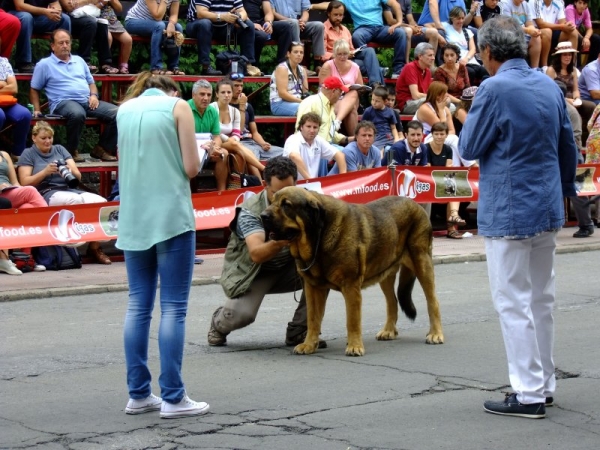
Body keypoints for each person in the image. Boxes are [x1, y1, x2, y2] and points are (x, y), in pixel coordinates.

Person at [459, 16, 577, 419]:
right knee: (541, 299)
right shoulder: (548, 83)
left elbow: (470, 146)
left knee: (513, 302)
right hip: (546, 205)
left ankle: (527, 393)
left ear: (489, 52)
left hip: (509, 209)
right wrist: (564, 193)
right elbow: (568, 146)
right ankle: (542, 385)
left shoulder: (493, 87)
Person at [116, 73, 208, 419]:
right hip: (170, 216)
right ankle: (173, 396)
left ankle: (139, 393)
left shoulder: (124, 111)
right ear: (171, 89)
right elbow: (190, 167)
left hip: (134, 217)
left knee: (138, 305)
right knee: (173, 308)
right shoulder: (177, 106)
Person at [208, 156, 328, 348]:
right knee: (242, 316)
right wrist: (280, 242)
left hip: (291, 268)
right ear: (265, 185)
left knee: (322, 271)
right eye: (277, 193)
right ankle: (219, 322)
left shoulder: (306, 199)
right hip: (255, 272)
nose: (283, 199)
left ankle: (300, 331)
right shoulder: (251, 211)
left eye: (288, 191)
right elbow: (256, 254)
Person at [17, 121, 113, 264]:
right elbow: (24, 182)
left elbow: (78, 177)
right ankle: (73, 242)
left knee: (101, 203)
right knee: (75, 202)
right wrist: (45, 172)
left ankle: (94, 247)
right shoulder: (28, 153)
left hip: (70, 189)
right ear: (34, 138)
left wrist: (69, 168)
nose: (48, 141)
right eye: (43, 138)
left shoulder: (60, 149)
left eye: (50, 137)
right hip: (47, 192)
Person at [30, 29, 119, 163]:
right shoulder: (44, 64)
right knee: (77, 113)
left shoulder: (79, 60)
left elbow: (91, 83)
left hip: (87, 100)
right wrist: (37, 110)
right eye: (61, 43)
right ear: (53, 46)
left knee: (118, 113)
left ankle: (102, 149)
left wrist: (94, 95)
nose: (65, 45)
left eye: (67, 42)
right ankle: (71, 151)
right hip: (62, 102)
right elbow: (34, 88)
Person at [186, 0, 262, 76]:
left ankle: (247, 65)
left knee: (249, 24)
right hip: (197, 25)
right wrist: (222, 16)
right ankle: (206, 67)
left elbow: (243, 12)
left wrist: (238, 18)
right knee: (205, 23)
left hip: (223, 27)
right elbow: (201, 13)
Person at [210, 79, 266, 179]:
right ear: (217, 94)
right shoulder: (211, 108)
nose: (226, 95)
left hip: (231, 143)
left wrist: (233, 140)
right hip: (214, 141)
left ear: (232, 94)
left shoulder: (235, 111)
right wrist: (230, 140)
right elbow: (213, 131)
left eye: (229, 92)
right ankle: (263, 169)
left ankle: (260, 183)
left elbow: (237, 133)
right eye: (223, 92)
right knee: (238, 146)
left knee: (242, 154)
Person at [340, 0, 407, 79]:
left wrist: (399, 22)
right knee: (356, 36)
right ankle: (375, 69)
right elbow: (331, 5)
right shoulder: (348, 1)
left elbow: (395, 4)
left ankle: (398, 71)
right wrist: (320, 5)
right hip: (363, 29)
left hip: (380, 28)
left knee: (400, 33)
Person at [323, 1, 384, 87]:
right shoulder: (323, 29)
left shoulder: (345, 29)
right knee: (372, 66)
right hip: (335, 62)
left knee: (369, 51)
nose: (338, 18)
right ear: (329, 14)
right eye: (335, 15)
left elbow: (351, 49)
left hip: (348, 60)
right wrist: (341, 55)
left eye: (341, 15)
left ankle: (375, 85)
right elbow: (322, 54)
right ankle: (379, 76)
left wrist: (352, 53)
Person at [546, 41, 595, 144]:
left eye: (569, 54)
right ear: (559, 56)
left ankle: (592, 137)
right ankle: (576, 143)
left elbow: (575, 89)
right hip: (559, 100)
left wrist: (577, 98)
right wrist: (569, 101)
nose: (568, 57)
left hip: (573, 99)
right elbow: (549, 92)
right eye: (565, 55)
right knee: (573, 112)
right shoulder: (551, 70)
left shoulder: (573, 70)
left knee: (591, 106)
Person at [227, 74, 284, 161]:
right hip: (238, 143)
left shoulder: (248, 106)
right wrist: (241, 106)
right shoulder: (225, 107)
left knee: (286, 153)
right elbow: (239, 130)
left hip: (252, 143)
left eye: (241, 86)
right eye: (236, 86)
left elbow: (254, 132)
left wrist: (263, 143)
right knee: (254, 155)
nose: (239, 89)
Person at [4, 0, 71, 73]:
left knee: (64, 19)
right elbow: (19, 6)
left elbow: (55, 3)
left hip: (39, 18)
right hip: (15, 15)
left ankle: (60, 59)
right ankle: (24, 62)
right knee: (26, 18)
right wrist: (45, 11)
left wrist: (56, 10)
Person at [426, 121, 466, 239]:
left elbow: (449, 167)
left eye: (442, 134)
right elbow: (428, 168)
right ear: (432, 134)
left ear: (446, 135)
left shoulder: (448, 149)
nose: (439, 137)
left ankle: (451, 227)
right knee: (452, 187)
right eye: (436, 134)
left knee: (455, 187)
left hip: (442, 179)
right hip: (429, 181)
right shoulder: (426, 148)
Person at [188, 79, 229, 192]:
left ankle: (222, 192)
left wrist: (214, 147)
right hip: (190, 149)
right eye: (202, 94)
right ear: (193, 95)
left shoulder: (213, 111)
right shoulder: (185, 109)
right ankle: (191, 193)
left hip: (207, 149)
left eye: (209, 95)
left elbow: (216, 136)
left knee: (223, 154)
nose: (206, 98)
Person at [124, 0, 185, 75]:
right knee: (159, 26)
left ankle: (173, 67)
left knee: (178, 27)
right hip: (133, 22)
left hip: (154, 23)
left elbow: (174, 15)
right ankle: (156, 67)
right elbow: (157, 16)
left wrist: (171, 24)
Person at [59, 0, 118, 74]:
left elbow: (100, 2)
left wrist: (80, 2)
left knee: (102, 23)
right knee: (90, 23)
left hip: (86, 16)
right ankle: (84, 61)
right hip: (67, 19)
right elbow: (69, 7)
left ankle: (105, 64)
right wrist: (89, 1)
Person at [318, 39, 362, 136]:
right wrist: (342, 87)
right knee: (351, 110)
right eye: (339, 54)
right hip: (332, 99)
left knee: (354, 93)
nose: (342, 57)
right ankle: (354, 140)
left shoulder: (355, 67)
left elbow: (361, 88)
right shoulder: (327, 66)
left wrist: (350, 88)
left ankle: (337, 122)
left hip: (350, 99)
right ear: (334, 54)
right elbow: (324, 88)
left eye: (345, 54)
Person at [283, 112, 346, 180]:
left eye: (315, 127)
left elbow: (340, 155)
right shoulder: (293, 139)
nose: (312, 130)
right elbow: (294, 156)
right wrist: (310, 180)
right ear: (301, 127)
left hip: (312, 185)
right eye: (308, 126)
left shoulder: (318, 140)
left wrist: (343, 178)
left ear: (319, 129)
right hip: (294, 186)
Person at [270, 0, 325, 75]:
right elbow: (272, 13)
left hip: (298, 24)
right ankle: (299, 65)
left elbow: (306, 11)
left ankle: (317, 64)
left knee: (319, 26)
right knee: (294, 23)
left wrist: (303, 21)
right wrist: (291, 21)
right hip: (280, 25)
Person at [296, 75, 351, 147]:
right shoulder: (310, 102)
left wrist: (349, 139)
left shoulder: (331, 105)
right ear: (333, 91)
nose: (341, 95)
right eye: (340, 92)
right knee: (347, 155)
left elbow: (330, 135)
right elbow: (301, 130)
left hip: (327, 146)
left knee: (352, 153)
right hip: (312, 147)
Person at [383, 0, 439, 65]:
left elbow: (411, 20)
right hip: (390, 28)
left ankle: (429, 67)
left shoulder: (406, 1)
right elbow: (390, 21)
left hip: (406, 27)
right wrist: (410, 27)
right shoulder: (387, 1)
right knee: (408, 31)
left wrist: (416, 27)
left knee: (433, 32)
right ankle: (407, 64)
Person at [443, 6, 488, 85]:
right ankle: (467, 93)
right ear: (452, 18)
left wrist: (466, 59)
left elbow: (473, 49)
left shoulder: (467, 31)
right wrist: (441, 39)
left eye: (462, 18)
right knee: (470, 72)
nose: (461, 21)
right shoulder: (446, 27)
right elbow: (429, 25)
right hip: (455, 59)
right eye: (458, 18)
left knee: (485, 71)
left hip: (469, 59)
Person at [243, 0, 293, 65]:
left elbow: (269, 12)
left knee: (285, 27)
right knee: (261, 36)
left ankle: (282, 64)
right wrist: (252, 24)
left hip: (261, 23)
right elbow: (239, 11)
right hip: (245, 24)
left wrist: (269, 22)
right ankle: (252, 65)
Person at [531, 0, 578, 69]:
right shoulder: (535, 2)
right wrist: (562, 26)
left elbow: (563, 22)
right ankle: (544, 66)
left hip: (553, 31)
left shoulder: (559, 2)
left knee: (573, 32)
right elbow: (541, 24)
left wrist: (568, 26)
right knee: (547, 31)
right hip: (537, 32)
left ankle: (571, 67)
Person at [0, 56, 30, 159]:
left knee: (24, 114)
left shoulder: (3, 62)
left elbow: (14, 88)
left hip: (5, 101)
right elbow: (9, 86)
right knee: (0, 115)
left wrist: (5, 85)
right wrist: (2, 83)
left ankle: (17, 153)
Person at [500, 0, 544, 68]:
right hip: (510, 34)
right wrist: (528, 30)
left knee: (536, 37)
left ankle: (535, 68)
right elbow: (509, 26)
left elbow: (529, 23)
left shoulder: (525, 4)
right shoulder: (505, 4)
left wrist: (534, 30)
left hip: (524, 33)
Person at [269, 41, 309, 116]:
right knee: (306, 108)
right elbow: (282, 94)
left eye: (301, 52)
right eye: (296, 52)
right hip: (279, 104)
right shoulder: (282, 68)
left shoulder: (302, 70)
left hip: (297, 102)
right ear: (288, 54)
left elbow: (305, 92)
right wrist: (301, 102)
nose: (299, 55)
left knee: (316, 107)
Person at [395, 42, 435, 114]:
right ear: (420, 56)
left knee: (450, 106)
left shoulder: (428, 71)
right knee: (437, 102)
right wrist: (434, 97)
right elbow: (415, 95)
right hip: (408, 104)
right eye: (430, 55)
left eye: (433, 55)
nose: (433, 58)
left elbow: (428, 92)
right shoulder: (410, 67)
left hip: (423, 101)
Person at [361, 86, 402, 153]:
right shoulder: (368, 111)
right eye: (373, 99)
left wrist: (396, 138)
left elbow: (393, 128)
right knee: (378, 152)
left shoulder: (390, 112)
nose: (374, 102)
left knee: (392, 149)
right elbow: (362, 126)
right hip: (376, 137)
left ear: (385, 101)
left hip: (388, 136)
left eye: (377, 101)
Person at [99, 0, 133, 74]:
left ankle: (123, 65)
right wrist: (103, 2)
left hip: (113, 21)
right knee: (108, 38)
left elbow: (119, 9)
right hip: (99, 19)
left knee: (128, 40)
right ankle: (105, 65)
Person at [565, 0, 600, 64]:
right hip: (567, 33)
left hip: (577, 33)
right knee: (578, 39)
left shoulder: (585, 10)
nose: (582, 6)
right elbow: (573, 29)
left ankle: (590, 65)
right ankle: (577, 66)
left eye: (584, 3)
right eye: (580, 3)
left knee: (596, 39)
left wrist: (586, 38)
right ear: (575, 2)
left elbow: (589, 28)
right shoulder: (569, 9)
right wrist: (583, 39)